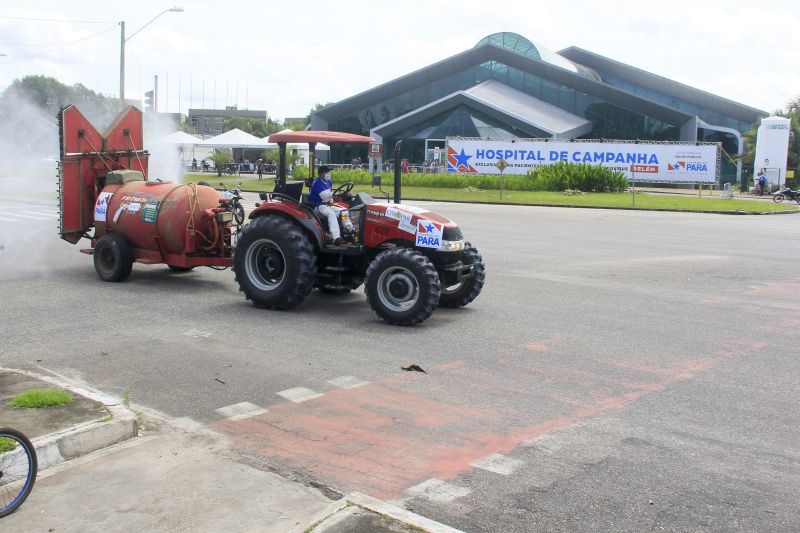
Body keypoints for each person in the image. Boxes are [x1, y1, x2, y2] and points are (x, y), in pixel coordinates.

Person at [309, 166, 353, 245]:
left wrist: (331, 200)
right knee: (331, 213)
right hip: (318, 206)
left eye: (329, 172)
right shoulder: (317, 183)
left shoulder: (328, 182)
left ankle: (349, 231)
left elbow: (330, 197)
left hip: (326, 205)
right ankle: (336, 238)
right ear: (321, 174)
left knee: (343, 211)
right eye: (326, 172)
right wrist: (339, 194)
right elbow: (326, 196)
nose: (328, 174)